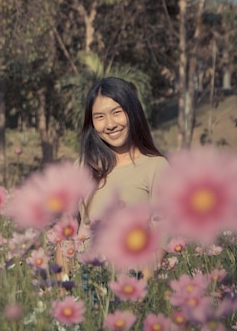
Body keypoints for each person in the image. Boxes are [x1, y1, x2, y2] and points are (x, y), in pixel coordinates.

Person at [56, 77, 168, 281]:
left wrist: (141, 290)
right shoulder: (83, 166)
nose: (109, 124)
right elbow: (66, 230)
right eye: (99, 117)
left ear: (132, 112)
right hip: (85, 283)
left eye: (117, 112)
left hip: (130, 283)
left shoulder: (156, 167)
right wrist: (63, 286)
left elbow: (162, 236)